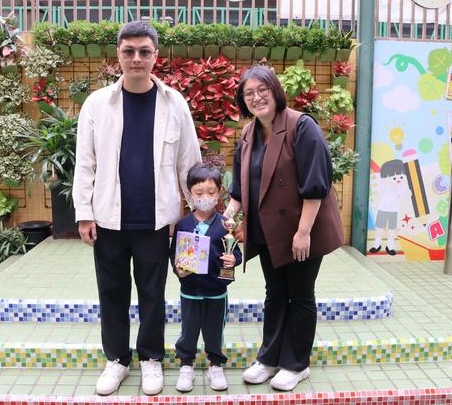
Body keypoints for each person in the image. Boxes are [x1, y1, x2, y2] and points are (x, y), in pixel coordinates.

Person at [72, 21, 202, 396]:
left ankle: (150, 358)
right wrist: (84, 212)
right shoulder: (97, 104)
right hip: (108, 218)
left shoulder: (174, 103)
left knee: (152, 294)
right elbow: (85, 162)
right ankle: (117, 359)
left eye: (144, 51)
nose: (136, 59)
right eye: (129, 51)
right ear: (119, 55)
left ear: (155, 56)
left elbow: (189, 162)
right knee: (112, 292)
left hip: (156, 220)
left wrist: (196, 216)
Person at [223, 65, 343, 391]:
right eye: (249, 93)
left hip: (302, 229)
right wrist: (225, 221)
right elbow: (238, 191)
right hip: (268, 231)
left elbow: (316, 185)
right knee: (275, 293)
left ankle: (296, 364)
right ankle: (269, 358)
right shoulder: (248, 135)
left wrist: (303, 232)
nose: (256, 97)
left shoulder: (301, 126)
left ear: (275, 91)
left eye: (262, 90)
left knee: (300, 295)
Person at [169, 163, 243, 393]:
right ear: (190, 193)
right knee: (188, 330)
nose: (205, 198)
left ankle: (216, 365)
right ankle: (186, 365)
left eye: (211, 192)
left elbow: (236, 252)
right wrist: (178, 270)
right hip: (190, 291)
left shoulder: (225, 225)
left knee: (214, 331)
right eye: (199, 193)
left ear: (219, 192)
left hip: (216, 291)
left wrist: (234, 260)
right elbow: (174, 255)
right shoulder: (183, 224)